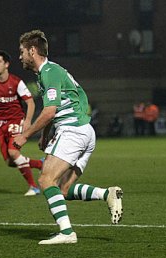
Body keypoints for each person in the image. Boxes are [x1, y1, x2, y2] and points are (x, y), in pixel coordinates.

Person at [14, 29, 123, 244]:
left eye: (22, 52)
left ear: (32, 51)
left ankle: (66, 233)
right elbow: (53, 109)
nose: (20, 57)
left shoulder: (49, 72)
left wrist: (25, 135)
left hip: (72, 131)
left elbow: (49, 112)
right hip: (85, 132)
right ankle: (107, 194)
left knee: (45, 180)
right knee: (62, 189)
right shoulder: (48, 73)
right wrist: (45, 135)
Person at [0, 50, 43, 196]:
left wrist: (28, 121)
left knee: (13, 152)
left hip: (16, 121)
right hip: (1, 126)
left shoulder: (16, 82)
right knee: (11, 161)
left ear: (6, 64)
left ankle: (34, 187)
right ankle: (40, 164)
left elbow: (30, 103)